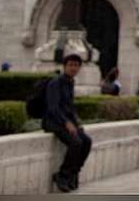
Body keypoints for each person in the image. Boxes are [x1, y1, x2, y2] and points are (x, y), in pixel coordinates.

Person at [43, 53, 92, 193]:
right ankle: (62, 175)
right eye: (70, 65)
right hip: (53, 122)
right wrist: (66, 123)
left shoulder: (70, 82)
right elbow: (53, 107)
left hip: (67, 122)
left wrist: (77, 122)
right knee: (76, 142)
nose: (73, 68)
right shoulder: (55, 83)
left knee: (87, 141)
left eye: (76, 65)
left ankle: (73, 173)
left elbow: (69, 107)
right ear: (64, 66)